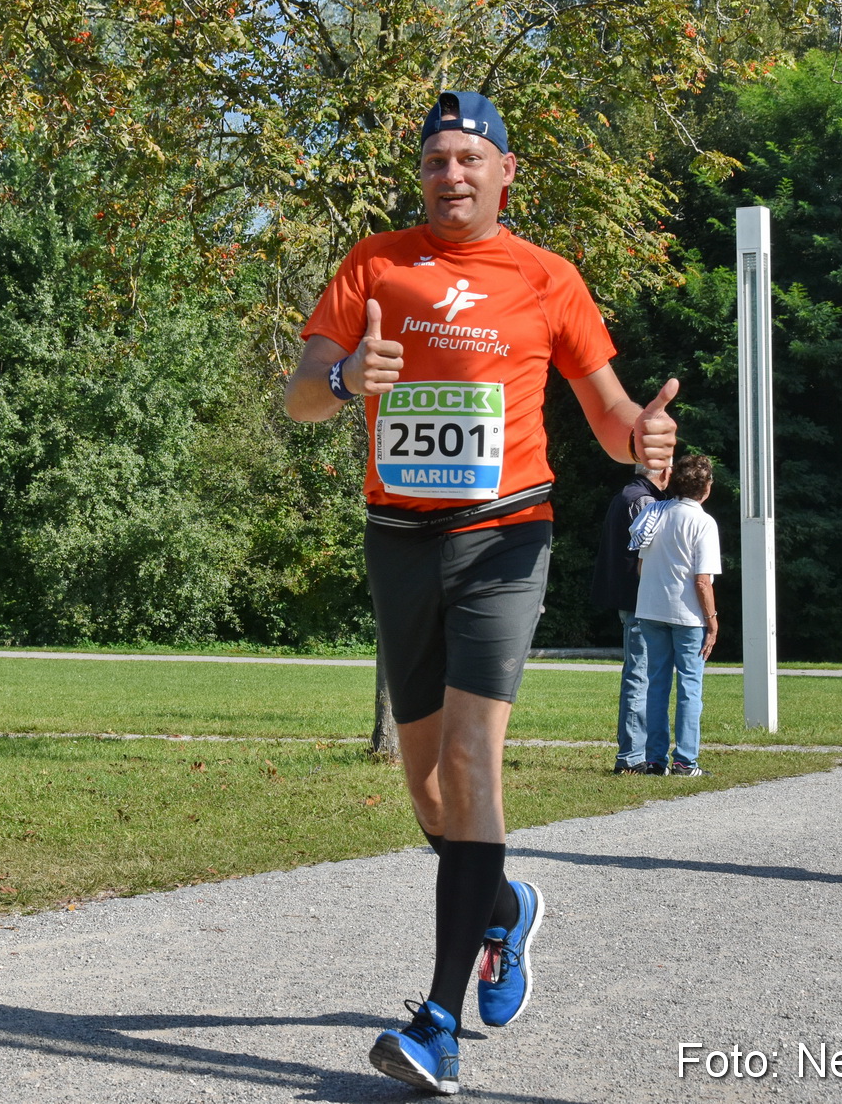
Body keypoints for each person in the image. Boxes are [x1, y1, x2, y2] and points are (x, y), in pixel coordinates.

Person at [284, 90, 678, 1095]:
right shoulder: (374, 265)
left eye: (468, 158)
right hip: (397, 541)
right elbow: (297, 394)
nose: (449, 175)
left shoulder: (547, 279)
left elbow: (605, 413)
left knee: (471, 762)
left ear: (505, 173)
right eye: (433, 161)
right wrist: (343, 385)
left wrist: (643, 437)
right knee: (423, 790)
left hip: (505, 534)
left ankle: (435, 1022)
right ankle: (503, 910)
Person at [630, 454, 720, 776]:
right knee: (689, 687)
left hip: (651, 609)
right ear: (706, 488)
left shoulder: (655, 512)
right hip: (688, 615)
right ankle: (685, 760)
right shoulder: (703, 522)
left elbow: (641, 564)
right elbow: (702, 580)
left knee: (656, 686)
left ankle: (655, 760)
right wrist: (712, 621)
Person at [590, 463, 671, 773]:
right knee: (640, 675)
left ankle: (635, 752)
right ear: (663, 471)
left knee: (639, 673)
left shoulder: (627, 495)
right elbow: (649, 553)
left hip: (629, 598)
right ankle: (631, 757)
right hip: (641, 600)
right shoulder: (645, 501)